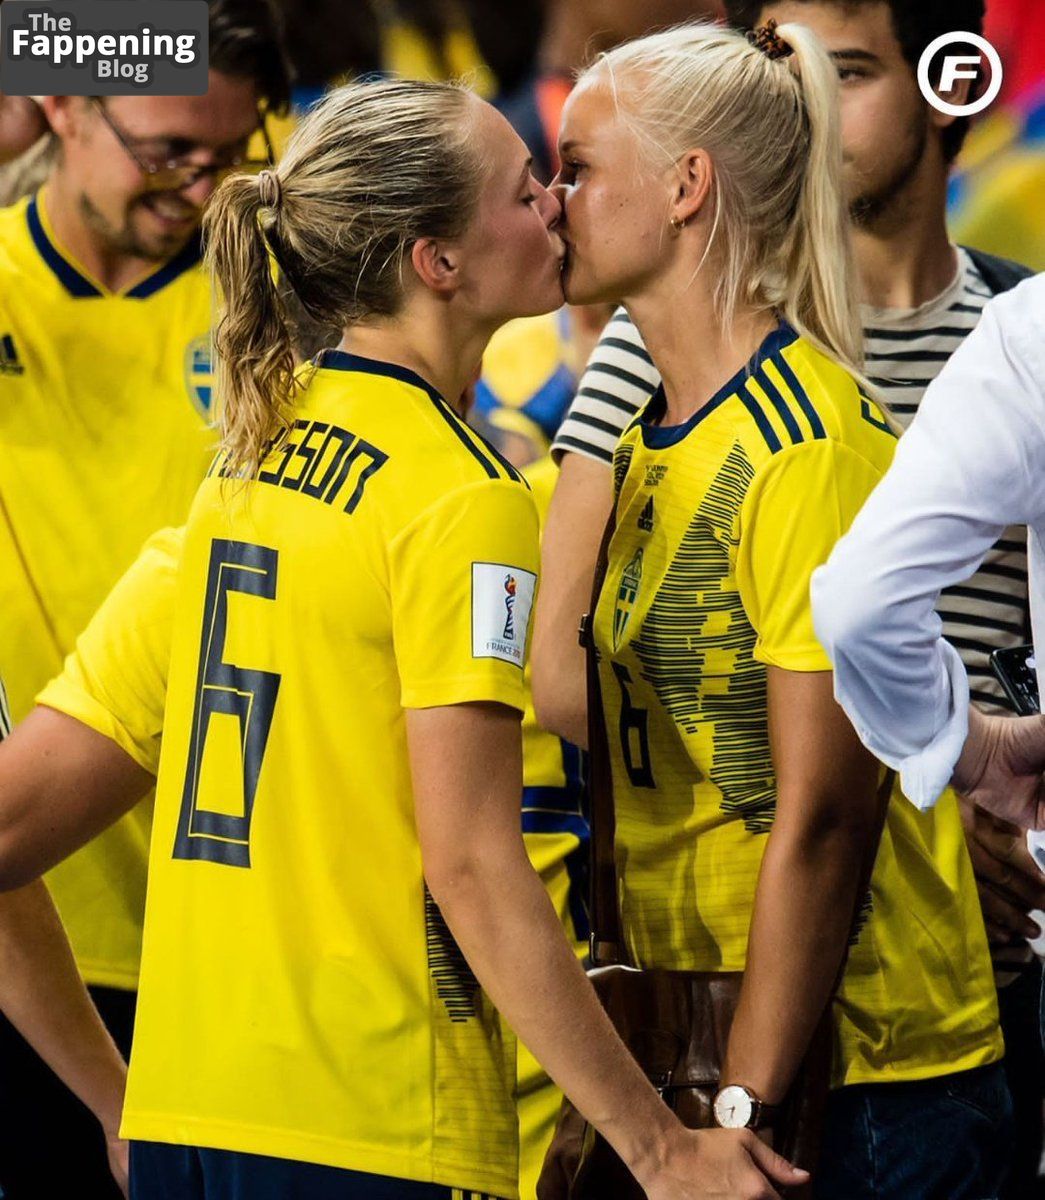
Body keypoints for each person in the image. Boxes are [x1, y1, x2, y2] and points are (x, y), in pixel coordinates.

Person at [0, 79, 807, 1200]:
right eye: (524, 193)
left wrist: (112, 1095)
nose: (555, 205)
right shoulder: (461, 496)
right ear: (439, 261)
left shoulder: (236, 475)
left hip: (186, 1121)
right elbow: (470, 862)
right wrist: (660, 1149)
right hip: (372, 1123)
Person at [534, 2, 1045, 1190]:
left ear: (685, 187)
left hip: (860, 1073)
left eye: (578, 168)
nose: (552, 202)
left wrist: (741, 1106)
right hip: (716, 1034)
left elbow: (823, 816)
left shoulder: (805, 444)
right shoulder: (649, 437)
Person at [0, 3, 291, 1195]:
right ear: (64, 106)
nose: (200, 186)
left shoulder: (278, 303)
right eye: (168, 150)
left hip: (229, 918)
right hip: (29, 916)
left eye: (229, 152)